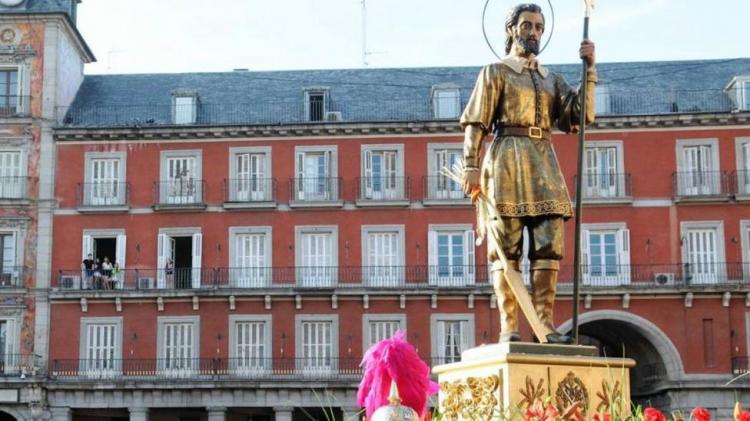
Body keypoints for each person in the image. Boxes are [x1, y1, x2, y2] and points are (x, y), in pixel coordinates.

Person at [461, 3, 596, 343]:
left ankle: (545, 326)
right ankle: (510, 326)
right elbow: (476, 123)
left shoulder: (551, 79)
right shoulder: (496, 72)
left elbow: (579, 117)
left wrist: (589, 70)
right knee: (506, 248)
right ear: (512, 30)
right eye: (527, 25)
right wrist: (471, 167)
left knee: (550, 243)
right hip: (506, 159)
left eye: (538, 26)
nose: (533, 32)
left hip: (543, 161)